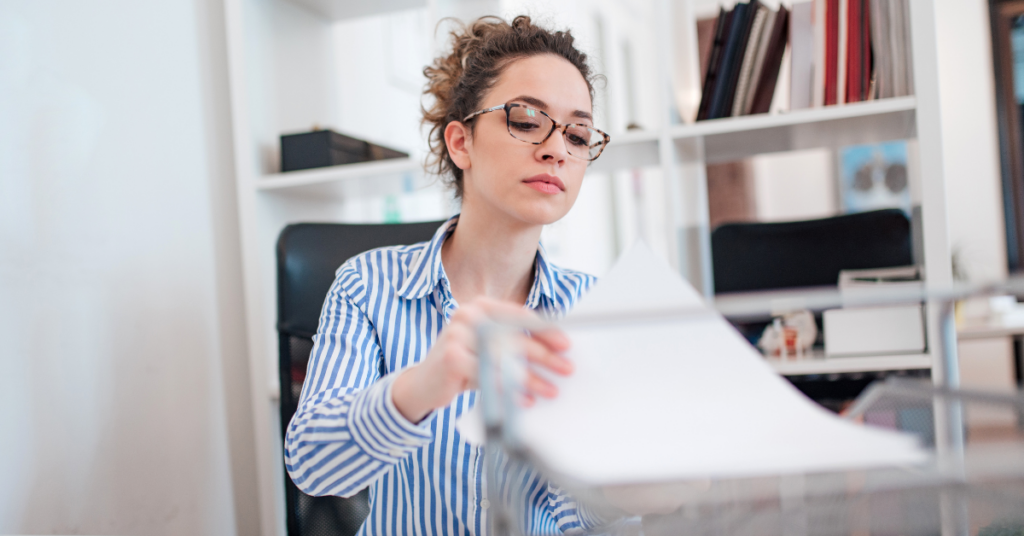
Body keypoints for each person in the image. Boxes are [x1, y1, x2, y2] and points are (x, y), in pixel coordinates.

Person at [284, 15, 611, 535]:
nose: (558, 150)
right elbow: (314, 468)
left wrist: (626, 485)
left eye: (578, 133)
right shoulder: (368, 285)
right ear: (461, 143)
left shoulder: (593, 307)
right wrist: (421, 387)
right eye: (526, 119)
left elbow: (585, 519)